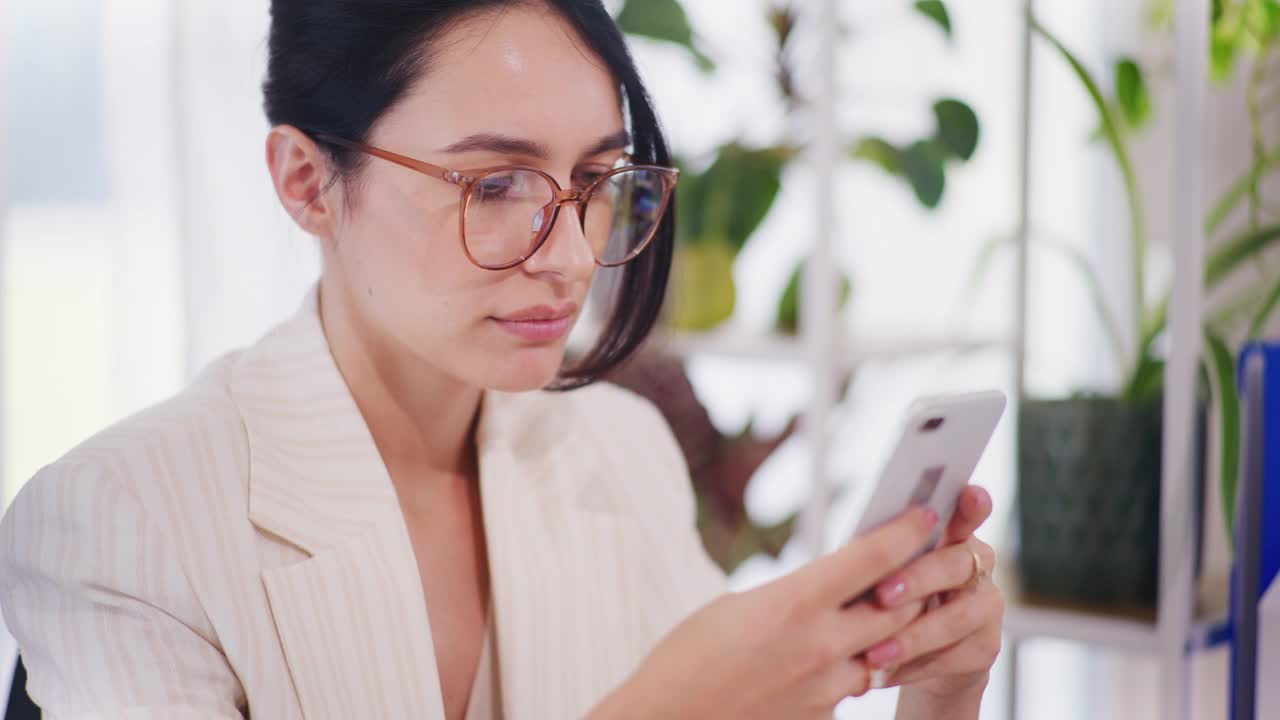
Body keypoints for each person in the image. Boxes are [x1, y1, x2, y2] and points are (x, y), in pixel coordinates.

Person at [0, 1, 1004, 718]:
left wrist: (936, 691)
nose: (569, 258)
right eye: (493, 185)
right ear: (308, 182)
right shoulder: (119, 521)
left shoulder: (619, 451)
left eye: (596, 179)